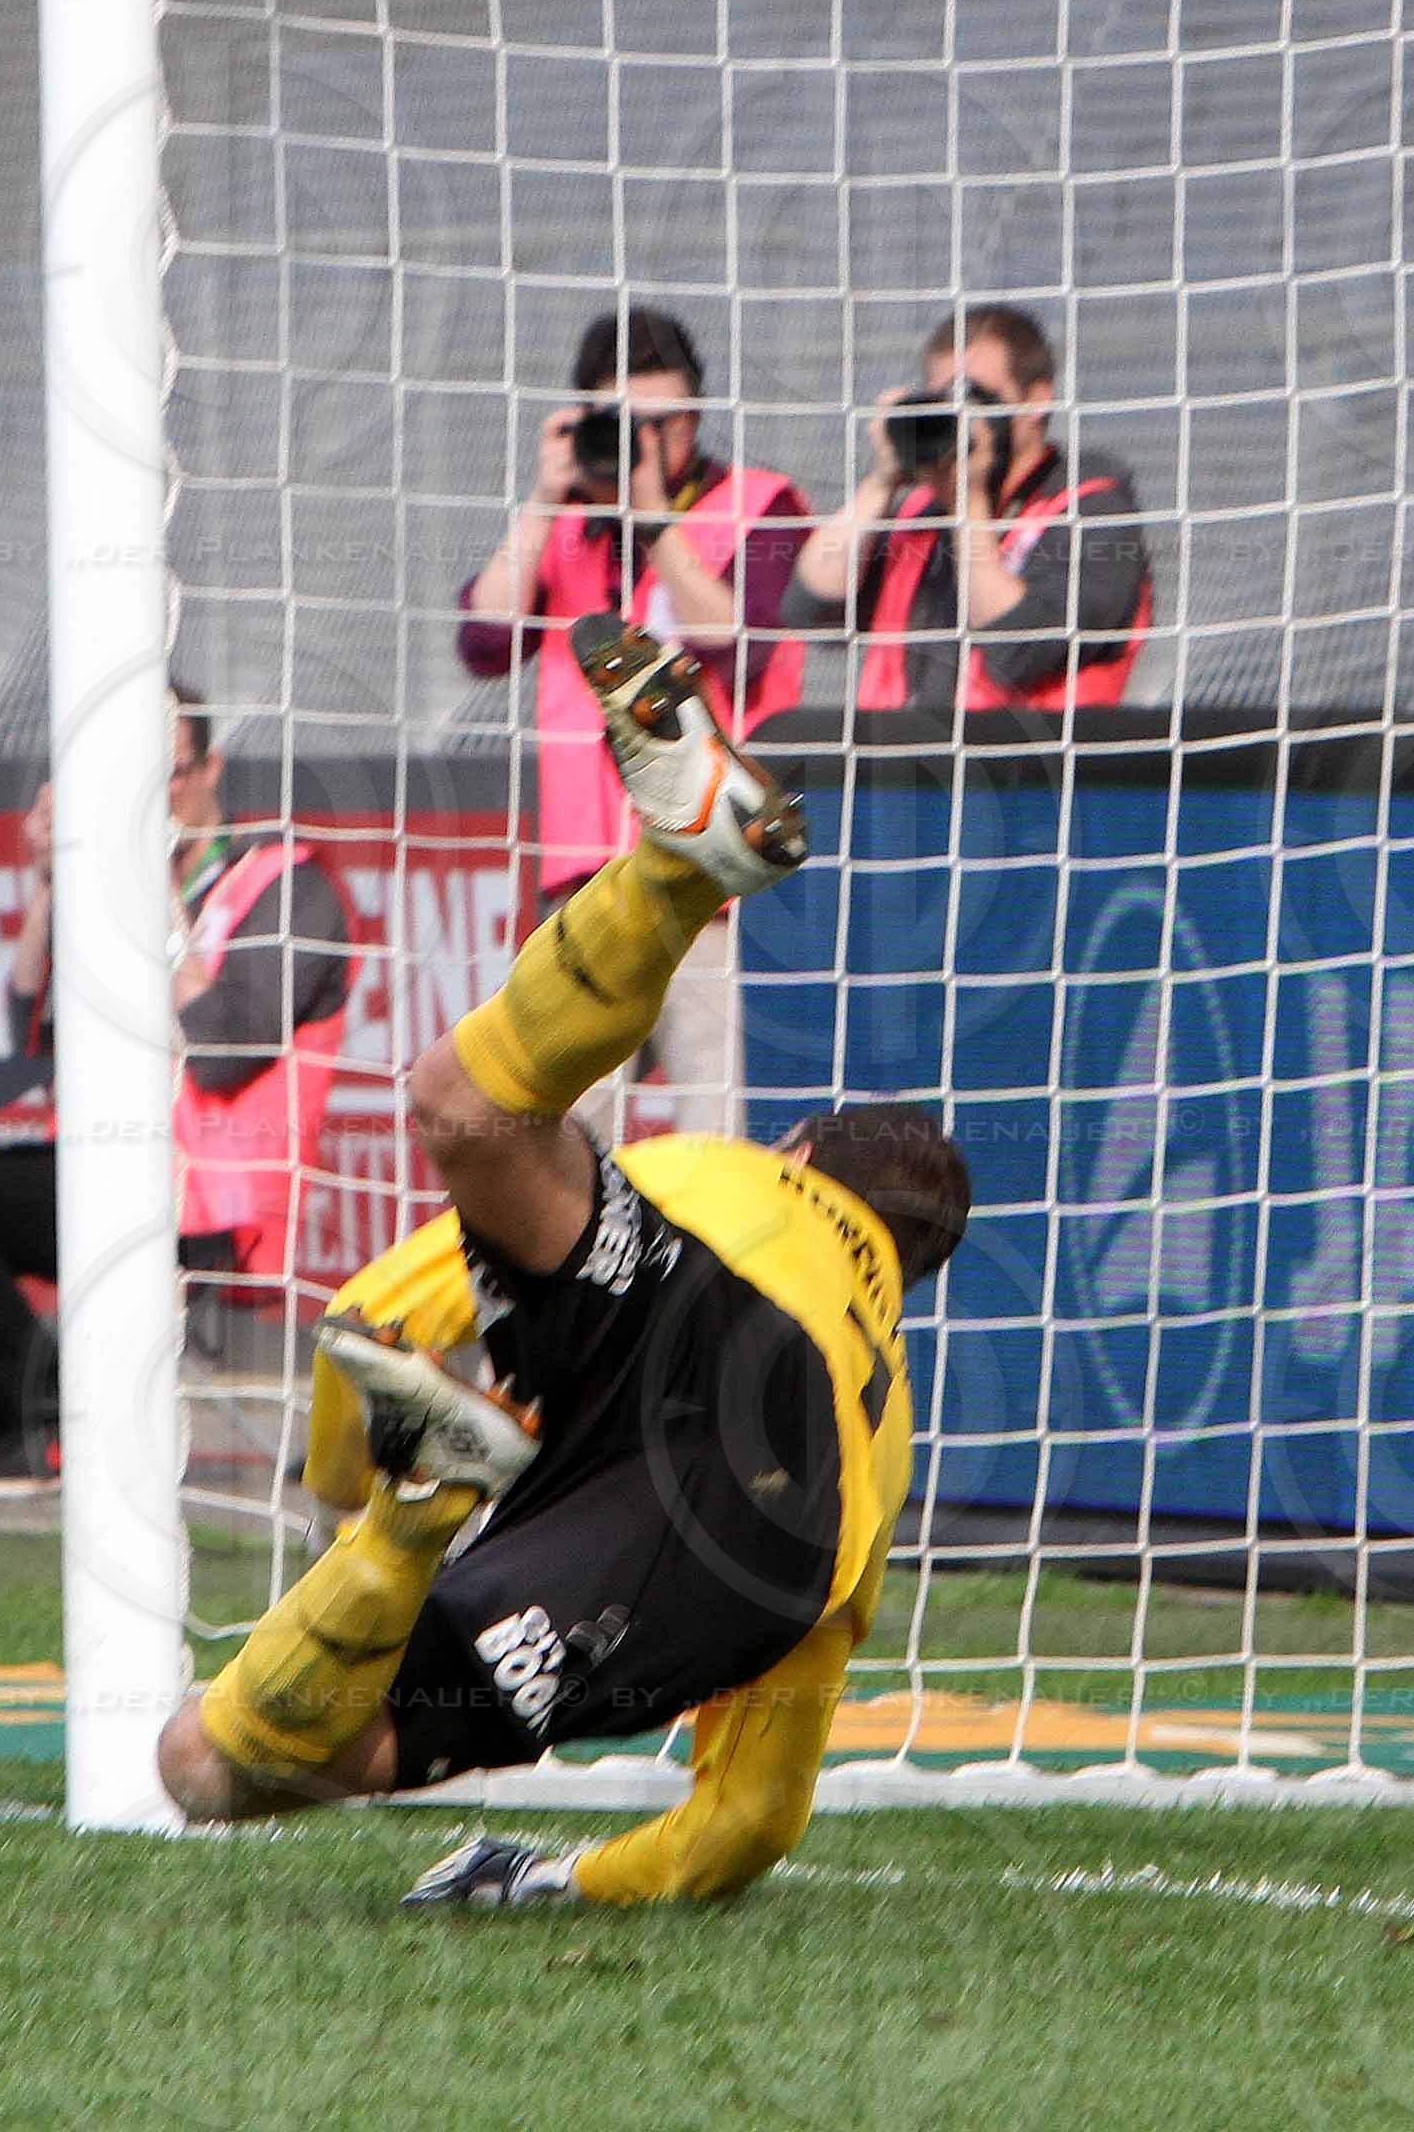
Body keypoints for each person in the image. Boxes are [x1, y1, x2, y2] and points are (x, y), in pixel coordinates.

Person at [156, 613, 971, 1916]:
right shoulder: (887, 1417)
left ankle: (673, 875)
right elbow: (750, 1823)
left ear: (800, 1146)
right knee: (247, 1764)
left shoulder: (731, 1176)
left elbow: (370, 1317)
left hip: (679, 1316)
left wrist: (343, 1503)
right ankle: (411, 1539)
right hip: (768, 1539)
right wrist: (571, 1881)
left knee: (462, 1107)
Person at [0, 686, 353, 1498]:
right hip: (105, 1166)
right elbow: (29, 1037)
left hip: (208, 1199)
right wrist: (53, 885)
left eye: (164, 776)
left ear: (208, 772)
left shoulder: (284, 887)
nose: (146, 801)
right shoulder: (107, 890)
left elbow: (227, 1050)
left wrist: (154, 891)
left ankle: (44, 1420)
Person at [459, 306, 808, 1137]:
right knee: (563, 1140)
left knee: (714, 1139)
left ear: (699, 415)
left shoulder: (758, 503)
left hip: (714, 885)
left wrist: (655, 519)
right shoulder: (567, 525)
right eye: (625, 424)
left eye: (666, 422)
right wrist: (544, 499)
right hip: (588, 887)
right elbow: (485, 637)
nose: (648, 442)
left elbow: (739, 638)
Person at [782, 303, 1152, 716]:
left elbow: (1019, 652)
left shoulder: (1095, 513)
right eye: (944, 400)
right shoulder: (925, 512)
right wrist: (881, 482)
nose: (959, 416)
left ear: (1036, 401)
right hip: (903, 767)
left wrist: (968, 501)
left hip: (1033, 770)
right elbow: (810, 611)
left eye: (975, 397)